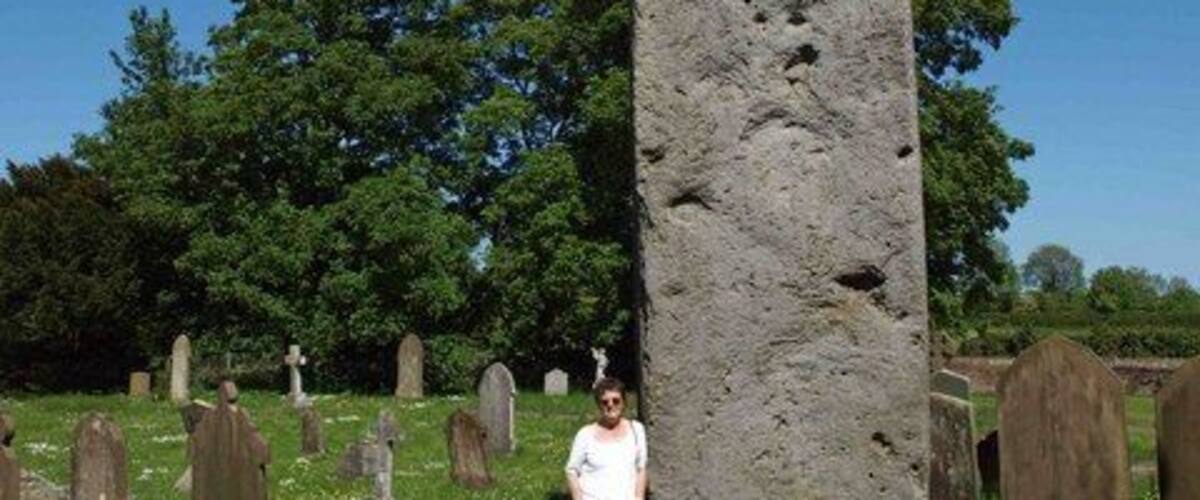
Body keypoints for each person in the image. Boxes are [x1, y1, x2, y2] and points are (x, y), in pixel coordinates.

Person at [565, 377, 648, 500]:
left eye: (616, 401)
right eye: (605, 402)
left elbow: (641, 468)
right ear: (599, 405)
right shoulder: (585, 434)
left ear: (624, 402)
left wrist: (638, 497)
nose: (610, 405)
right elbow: (571, 470)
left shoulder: (636, 430)